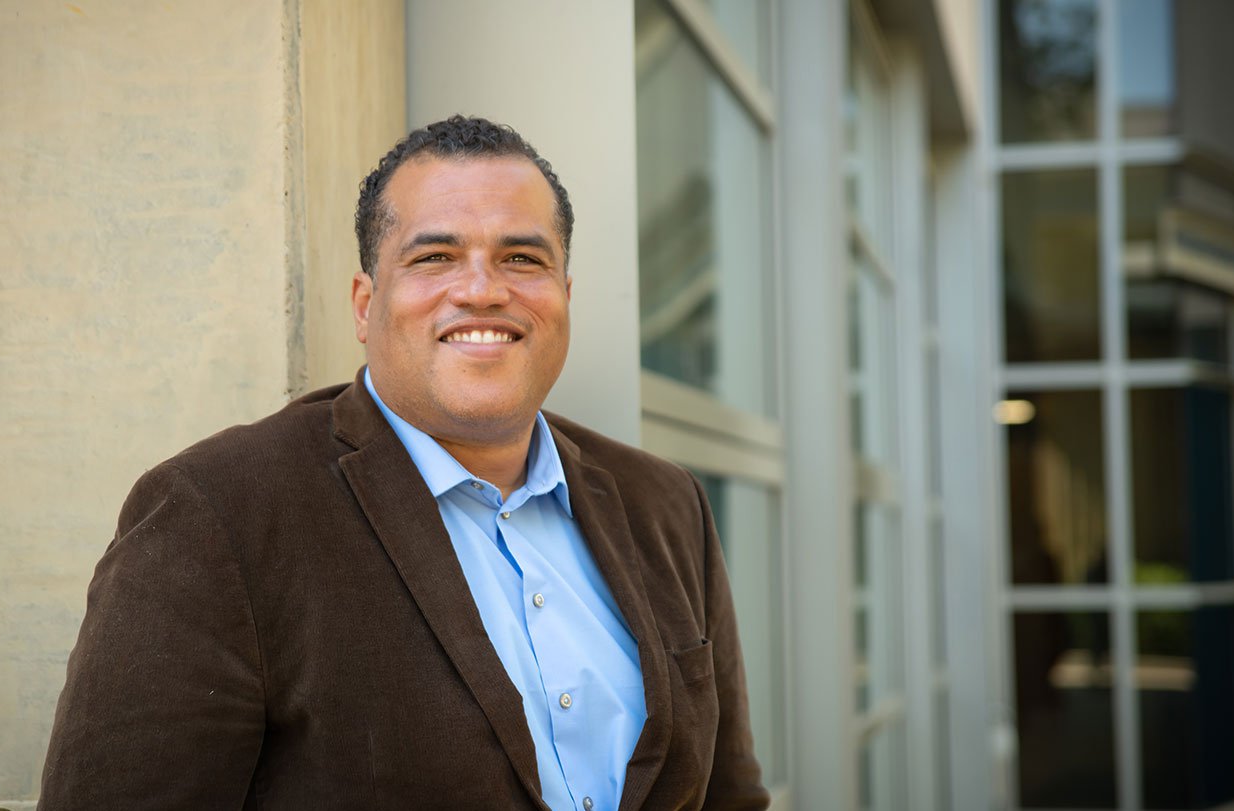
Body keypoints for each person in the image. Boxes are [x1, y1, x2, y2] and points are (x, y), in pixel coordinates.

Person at [38, 115, 768, 810]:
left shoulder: (665, 502)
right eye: (434, 257)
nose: (482, 289)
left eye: (522, 258)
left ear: (564, 296)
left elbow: (730, 796)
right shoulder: (216, 513)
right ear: (365, 304)